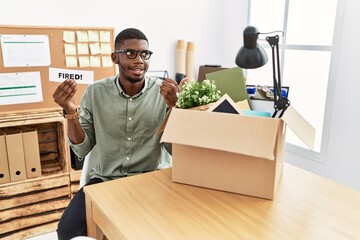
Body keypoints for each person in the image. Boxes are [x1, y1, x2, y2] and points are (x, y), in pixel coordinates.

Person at [53, 28, 183, 239]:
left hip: (152, 180)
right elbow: (82, 147)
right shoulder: (95, 92)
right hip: (106, 180)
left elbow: (174, 150)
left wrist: (174, 109)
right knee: (67, 231)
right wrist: (70, 111)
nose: (139, 60)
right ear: (115, 57)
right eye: (130, 53)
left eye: (144, 54)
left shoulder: (165, 94)